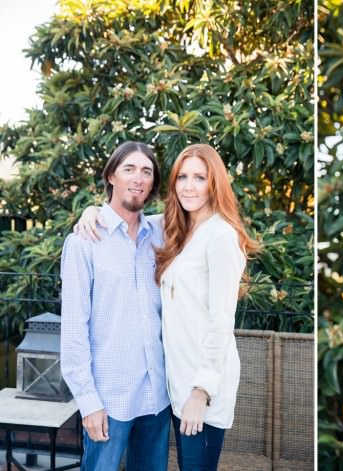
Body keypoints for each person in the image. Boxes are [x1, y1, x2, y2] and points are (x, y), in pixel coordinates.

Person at [75, 143, 258, 470]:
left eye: (200, 177)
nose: (189, 185)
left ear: (214, 183)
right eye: (182, 177)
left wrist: (201, 392)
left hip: (194, 393)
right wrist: (93, 212)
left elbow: (221, 323)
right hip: (150, 392)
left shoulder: (219, 236)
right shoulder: (172, 230)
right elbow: (73, 330)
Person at [61, 141, 171, 470]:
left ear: (152, 183)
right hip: (109, 400)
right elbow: (73, 330)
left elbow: (206, 208)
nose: (138, 178)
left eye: (146, 171)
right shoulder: (84, 242)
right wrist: (88, 402)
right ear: (111, 176)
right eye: (129, 169)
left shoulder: (162, 233)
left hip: (156, 398)